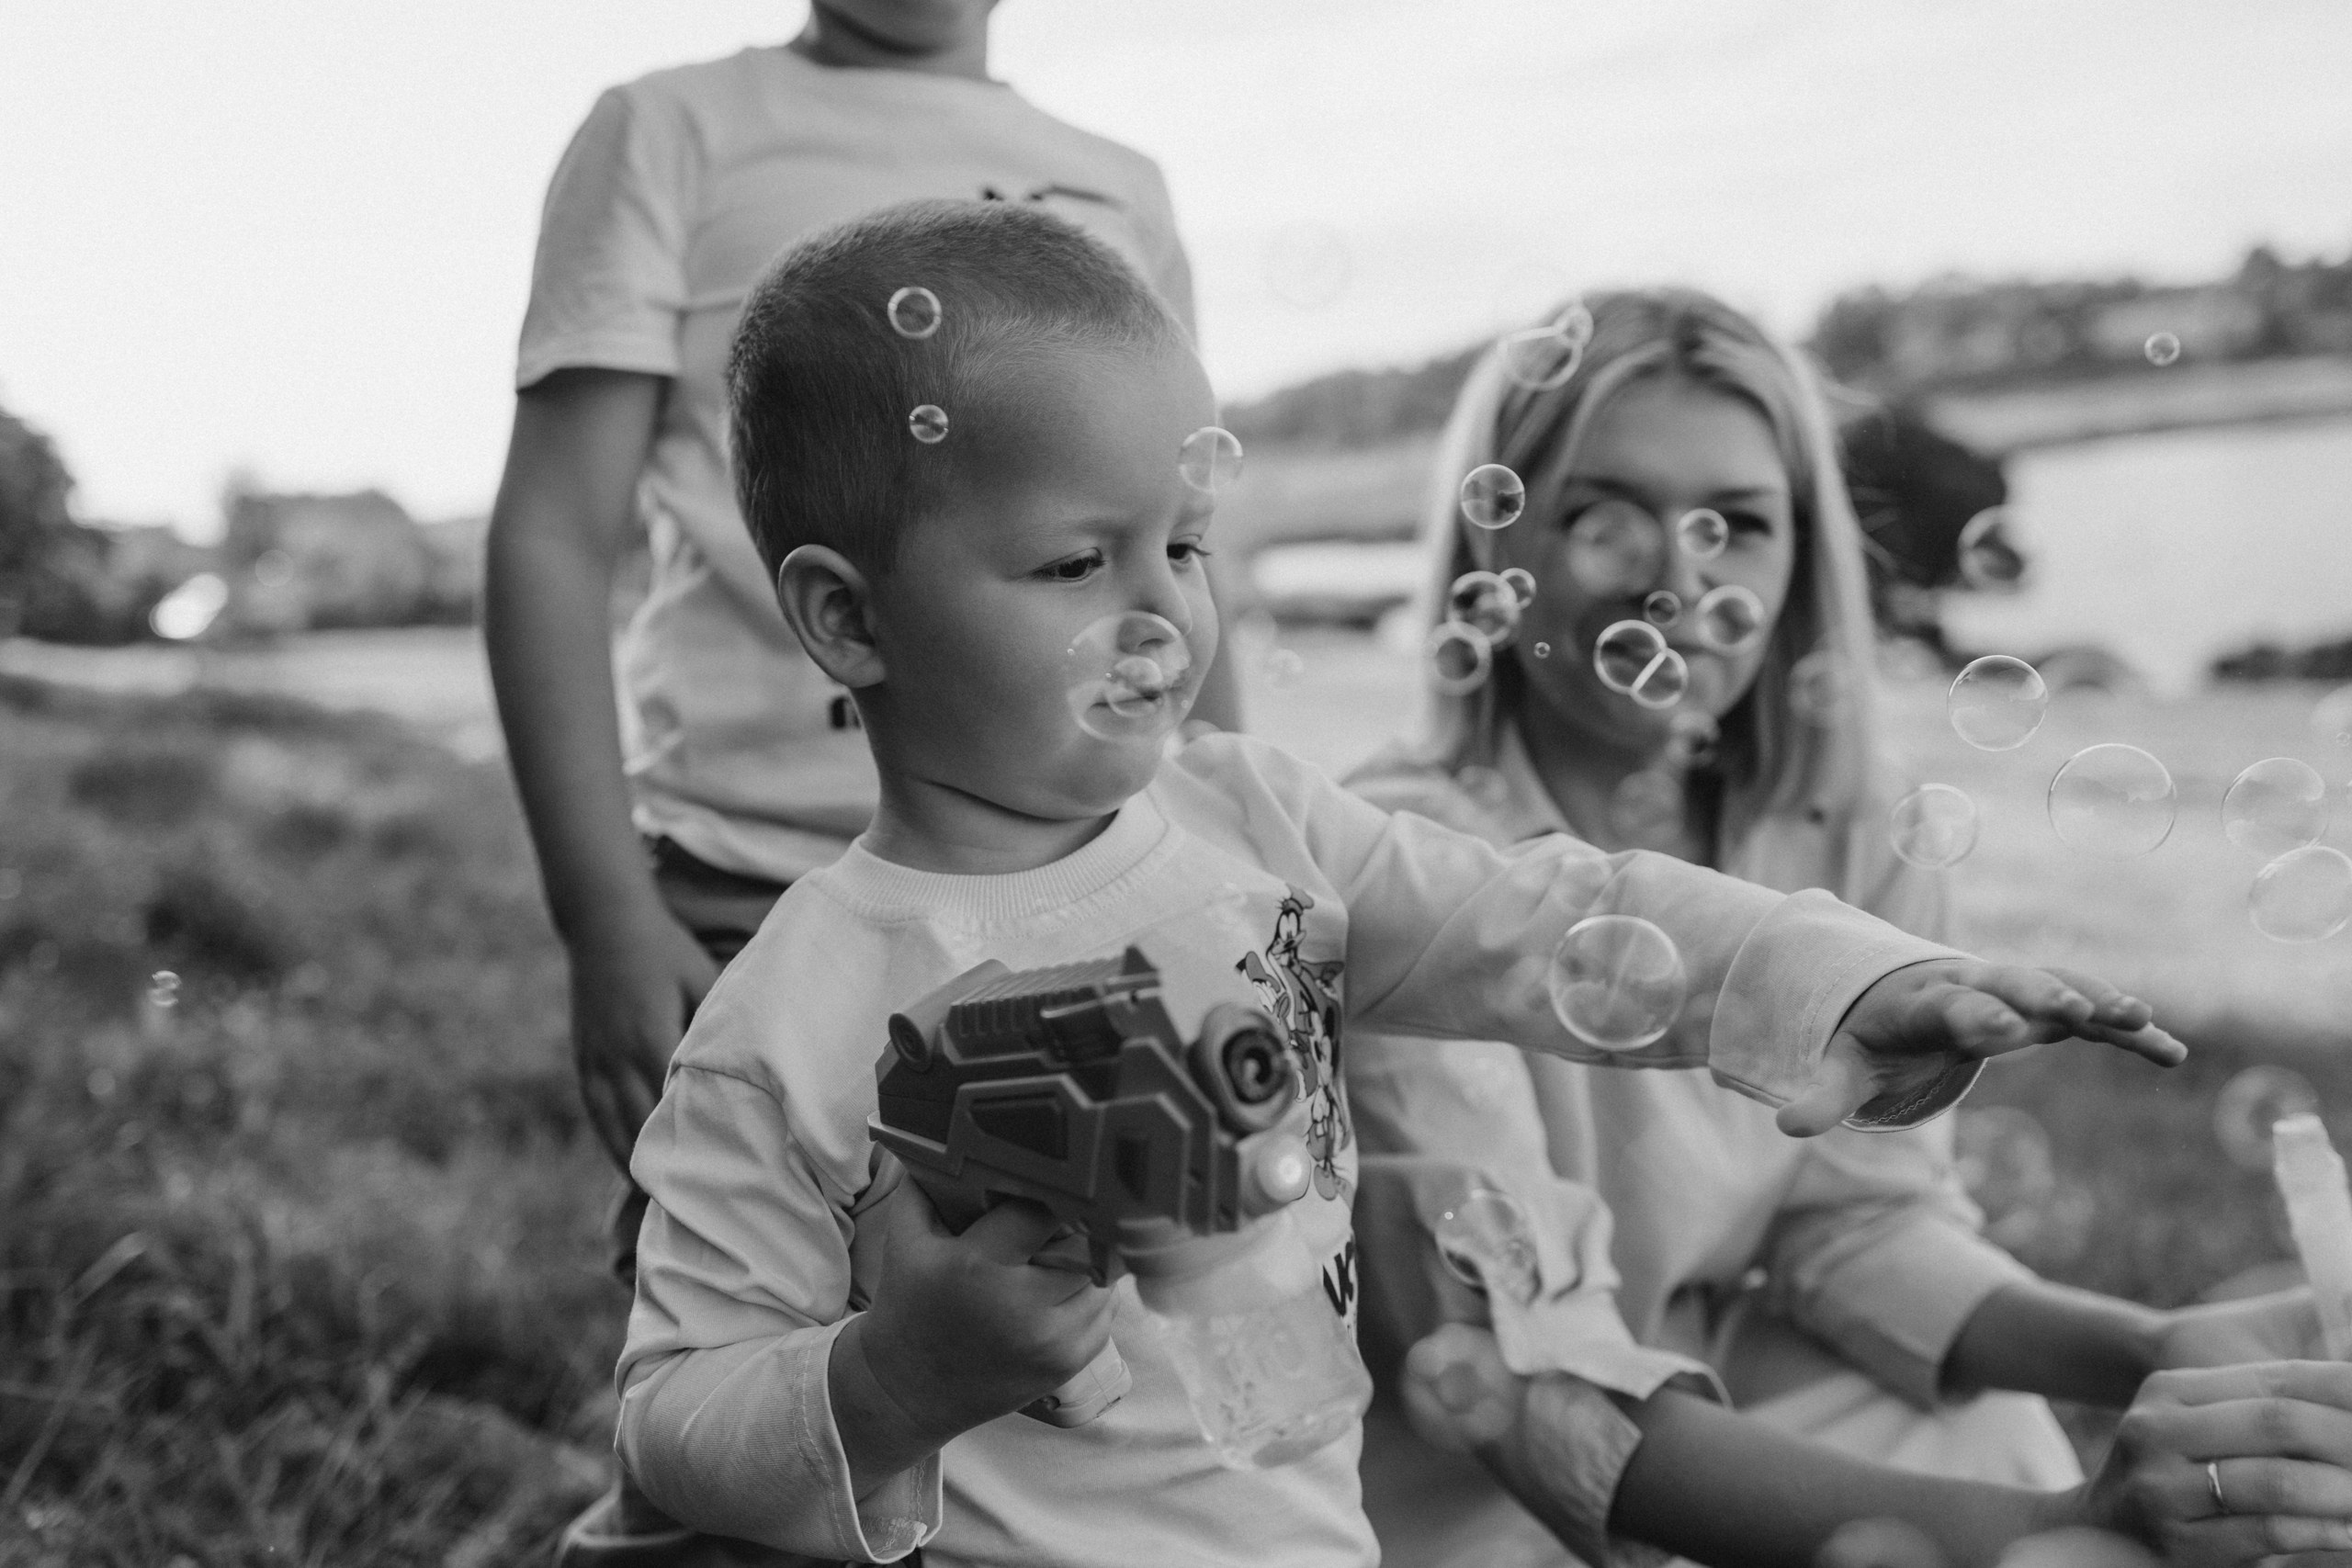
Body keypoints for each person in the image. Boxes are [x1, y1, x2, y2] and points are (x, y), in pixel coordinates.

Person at [607, 197, 2342, 1568]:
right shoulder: (784, 1025)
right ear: (845, 617)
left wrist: (1847, 979)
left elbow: (1551, 916)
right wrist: (892, 1378)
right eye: (1077, 562)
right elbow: (671, 1417)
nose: (1165, 615)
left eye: (1186, 547)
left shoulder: (1261, 828)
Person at [1342, 288, 2330, 1568]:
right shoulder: (1407, 876)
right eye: (1601, 515)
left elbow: (1852, 1225)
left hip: (1709, 1386)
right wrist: (2063, 1527)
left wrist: (2150, 1347)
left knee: (1981, 1425)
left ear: (1800, 558)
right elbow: (1535, 1390)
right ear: (1496, 546)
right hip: (1481, 1501)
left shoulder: (1851, 825)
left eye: (1738, 525)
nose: (1677, 581)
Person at [481, 4, 1235, 1556]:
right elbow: (557, 530)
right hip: (746, 893)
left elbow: (1170, 526)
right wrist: (603, 912)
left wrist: (1234, 868)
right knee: (748, 1397)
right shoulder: (673, 129)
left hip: (1072, 911)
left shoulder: (1118, 183)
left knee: (1054, 1386)